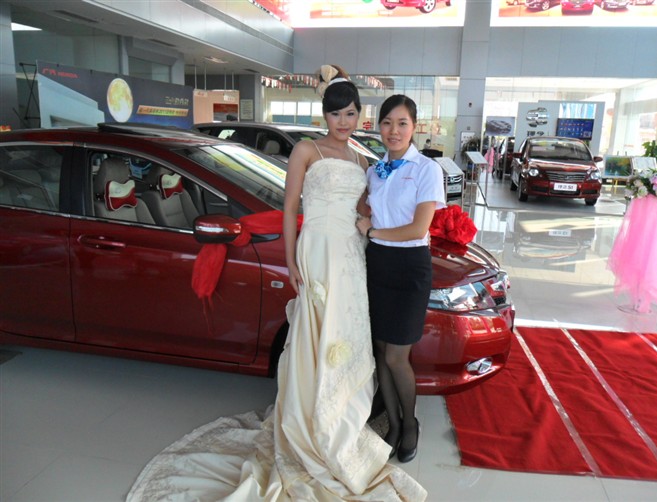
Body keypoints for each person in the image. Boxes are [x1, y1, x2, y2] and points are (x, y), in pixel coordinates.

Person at [126, 66, 426, 501]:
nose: (343, 122)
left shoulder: (363, 161)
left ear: (360, 115)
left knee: (349, 333)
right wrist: (290, 259)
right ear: (324, 116)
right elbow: (289, 209)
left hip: (352, 255)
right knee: (315, 333)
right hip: (317, 251)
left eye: (350, 113)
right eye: (335, 114)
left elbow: (369, 209)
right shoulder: (307, 150)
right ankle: (312, 420)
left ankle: (341, 416)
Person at [356, 94, 446, 464]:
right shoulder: (374, 170)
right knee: (379, 350)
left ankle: (410, 424)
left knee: (396, 356)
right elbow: (362, 206)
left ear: (414, 127)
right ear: (378, 126)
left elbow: (418, 228)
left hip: (409, 267)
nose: (394, 130)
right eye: (387, 122)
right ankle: (392, 424)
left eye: (402, 123)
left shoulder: (426, 169)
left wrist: (373, 231)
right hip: (377, 264)